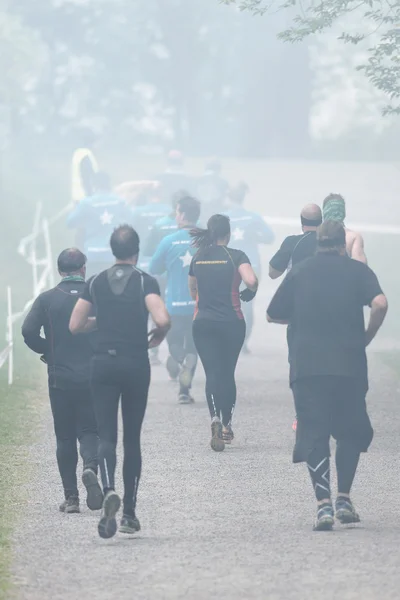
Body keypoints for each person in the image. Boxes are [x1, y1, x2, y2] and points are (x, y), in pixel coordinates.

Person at [266, 221, 388, 531]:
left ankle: (323, 506)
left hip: (308, 366)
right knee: (349, 430)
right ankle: (343, 498)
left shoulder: (300, 271)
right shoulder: (357, 271)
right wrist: (367, 336)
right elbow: (380, 303)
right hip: (349, 364)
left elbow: (272, 313)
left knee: (314, 431)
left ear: (319, 242)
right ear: (342, 245)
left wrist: (303, 317)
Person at [69, 225, 170, 539]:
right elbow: (163, 318)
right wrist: (158, 334)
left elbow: (75, 324)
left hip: (103, 365)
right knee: (133, 439)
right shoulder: (144, 281)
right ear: (136, 251)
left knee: (106, 435)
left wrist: (103, 322)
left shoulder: (96, 282)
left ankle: (109, 488)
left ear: (113, 250)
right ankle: (129, 512)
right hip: (135, 363)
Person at [21, 249, 102, 514]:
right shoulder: (97, 296)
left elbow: (27, 331)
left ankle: (71, 499)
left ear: (59, 271)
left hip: (60, 376)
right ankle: (90, 467)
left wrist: (49, 350)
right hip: (92, 375)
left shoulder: (46, 299)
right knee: (90, 430)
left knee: (65, 436)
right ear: (83, 269)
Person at [189, 214, 258, 452]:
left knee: (212, 373)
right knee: (227, 373)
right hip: (231, 322)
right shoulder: (236, 255)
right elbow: (251, 280)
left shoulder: (198, 257)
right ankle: (227, 425)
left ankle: (214, 420)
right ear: (228, 234)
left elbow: (193, 291)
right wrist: (251, 291)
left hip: (203, 323)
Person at [149, 196, 201, 402]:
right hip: (199, 305)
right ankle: (184, 392)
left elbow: (154, 268)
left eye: (177, 212)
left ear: (182, 215)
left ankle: (179, 361)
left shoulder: (169, 241)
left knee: (175, 343)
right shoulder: (206, 239)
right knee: (193, 348)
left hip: (175, 304)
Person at [225, 182, 274, 353]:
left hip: (229, 266)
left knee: (228, 303)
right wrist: (254, 238)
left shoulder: (223, 217)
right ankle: (244, 343)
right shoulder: (253, 217)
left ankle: (230, 340)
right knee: (247, 305)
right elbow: (270, 237)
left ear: (228, 197)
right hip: (252, 265)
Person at [67, 172, 133, 277]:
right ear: (109, 184)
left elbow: (70, 223)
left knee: (92, 289)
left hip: (92, 255)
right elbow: (131, 221)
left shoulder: (86, 203)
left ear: (94, 185)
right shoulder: (119, 201)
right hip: (113, 255)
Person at [269, 203, 322, 279]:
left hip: (297, 289)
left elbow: (273, 273)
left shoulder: (291, 242)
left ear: (302, 222)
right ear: (321, 221)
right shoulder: (331, 243)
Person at [322, 193, 367, 263]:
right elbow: (361, 265)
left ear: (324, 212)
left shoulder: (313, 234)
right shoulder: (353, 237)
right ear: (343, 213)